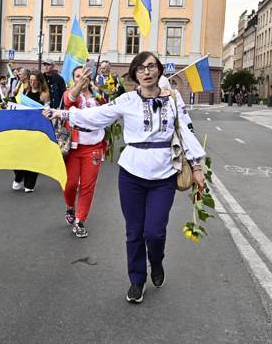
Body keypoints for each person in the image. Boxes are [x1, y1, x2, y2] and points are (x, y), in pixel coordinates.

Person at [44, 51, 206, 304]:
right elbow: (96, 116)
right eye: (141, 68)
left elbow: (186, 131)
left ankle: (157, 261)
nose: (147, 72)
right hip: (131, 174)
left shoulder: (173, 100)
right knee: (134, 232)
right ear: (135, 74)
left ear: (159, 70)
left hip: (163, 175)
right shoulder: (126, 100)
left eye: (152, 66)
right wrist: (63, 114)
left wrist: (196, 167)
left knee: (154, 232)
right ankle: (137, 280)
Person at [59, 65, 107, 238]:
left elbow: (108, 112)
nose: (82, 78)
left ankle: (80, 220)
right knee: (70, 184)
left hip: (93, 147)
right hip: (73, 147)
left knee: (87, 186)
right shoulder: (70, 94)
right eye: (78, 76)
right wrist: (80, 83)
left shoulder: (97, 97)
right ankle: (70, 207)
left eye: (85, 75)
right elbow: (69, 100)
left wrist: (97, 92)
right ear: (73, 79)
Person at [12, 70, 50, 193]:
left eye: (35, 80)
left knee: (33, 156)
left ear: (40, 81)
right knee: (18, 154)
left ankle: (30, 183)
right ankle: (18, 176)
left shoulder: (44, 94)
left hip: (36, 127)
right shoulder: (26, 90)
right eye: (31, 80)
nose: (32, 82)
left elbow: (47, 110)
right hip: (23, 125)